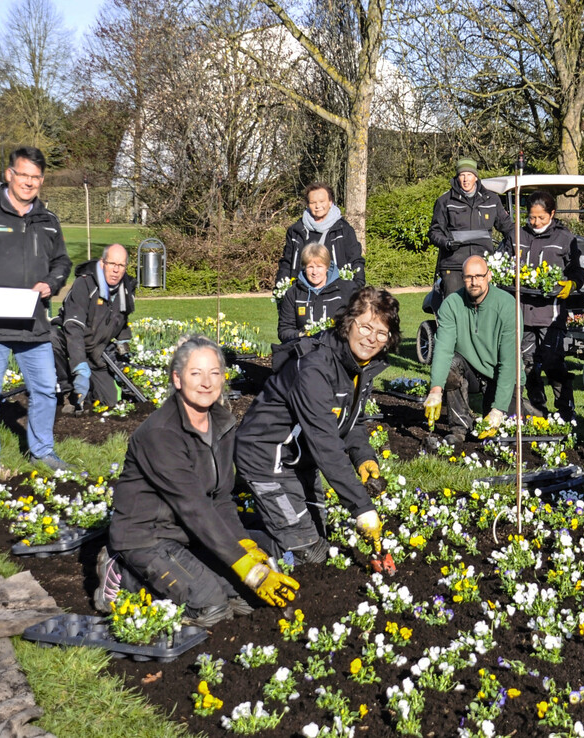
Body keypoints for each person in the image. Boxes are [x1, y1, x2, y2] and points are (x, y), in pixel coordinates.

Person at [98, 336, 299, 627]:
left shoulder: (222, 424)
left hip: (187, 533)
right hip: (147, 536)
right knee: (211, 609)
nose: (206, 382)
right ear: (177, 379)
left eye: (214, 373)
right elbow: (193, 505)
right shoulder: (161, 434)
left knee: (246, 600)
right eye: (196, 373)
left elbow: (220, 498)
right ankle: (124, 574)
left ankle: (185, 576)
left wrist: (244, 546)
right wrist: (244, 566)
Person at [235, 287, 400, 565]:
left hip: (299, 459)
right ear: (349, 323)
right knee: (306, 552)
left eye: (381, 333)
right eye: (365, 327)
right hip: (266, 455)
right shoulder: (315, 367)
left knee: (318, 537)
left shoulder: (361, 366)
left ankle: (252, 519)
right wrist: (362, 507)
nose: (371, 338)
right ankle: (223, 540)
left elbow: (351, 421)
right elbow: (326, 444)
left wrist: (363, 457)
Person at [0, 146, 72, 475]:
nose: (29, 182)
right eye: (23, 175)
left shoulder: (48, 220)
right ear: (9, 174)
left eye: (36, 177)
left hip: (33, 324)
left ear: (42, 180)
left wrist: (51, 282)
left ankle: (42, 451)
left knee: (46, 389)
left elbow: (62, 261)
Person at [423, 255, 531, 445]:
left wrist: (498, 410)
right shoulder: (451, 304)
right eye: (468, 277)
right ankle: (459, 428)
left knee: (505, 437)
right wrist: (435, 389)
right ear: (462, 278)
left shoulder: (507, 306)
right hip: (471, 370)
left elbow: (509, 362)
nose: (474, 282)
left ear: (489, 276)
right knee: (451, 365)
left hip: (502, 375)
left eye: (479, 276)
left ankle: (524, 412)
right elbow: (443, 349)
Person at [513, 190, 584, 419]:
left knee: (553, 362)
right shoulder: (517, 235)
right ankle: (536, 407)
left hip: (551, 313)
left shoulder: (564, 238)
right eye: (531, 218)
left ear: (552, 214)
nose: (535, 222)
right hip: (522, 311)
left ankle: (566, 409)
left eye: (541, 218)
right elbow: (502, 262)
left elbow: (577, 270)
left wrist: (572, 284)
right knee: (527, 363)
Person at [52, 243, 135, 412]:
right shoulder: (84, 284)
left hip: (96, 350)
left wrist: (124, 349)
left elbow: (123, 320)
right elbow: (73, 328)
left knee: (109, 402)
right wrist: (79, 367)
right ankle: (67, 392)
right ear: (103, 263)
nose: (116, 270)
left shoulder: (126, 288)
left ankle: (85, 393)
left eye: (121, 265)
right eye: (112, 264)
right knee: (50, 337)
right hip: (70, 343)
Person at [428, 158, 515, 296]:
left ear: (476, 177)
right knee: (454, 308)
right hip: (454, 265)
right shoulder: (444, 201)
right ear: (457, 177)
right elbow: (434, 232)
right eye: (462, 175)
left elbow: (509, 228)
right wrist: (447, 243)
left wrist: (510, 251)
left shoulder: (491, 200)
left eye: (469, 175)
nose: (465, 179)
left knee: (485, 309)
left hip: (483, 266)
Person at [276, 182, 364, 287]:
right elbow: (286, 263)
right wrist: (281, 288)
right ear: (308, 204)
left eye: (322, 201)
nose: (318, 206)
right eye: (313, 202)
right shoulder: (295, 231)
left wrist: (357, 286)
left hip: (336, 292)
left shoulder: (344, 230)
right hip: (301, 291)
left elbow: (355, 259)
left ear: (330, 202)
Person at [277, 243, 357, 343]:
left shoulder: (346, 289)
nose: (315, 272)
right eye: (310, 267)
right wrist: (303, 335)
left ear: (327, 266)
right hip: (305, 350)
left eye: (319, 266)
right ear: (304, 267)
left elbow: (358, 322)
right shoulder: (293, 293)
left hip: (338, 348)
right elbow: (284, 330)